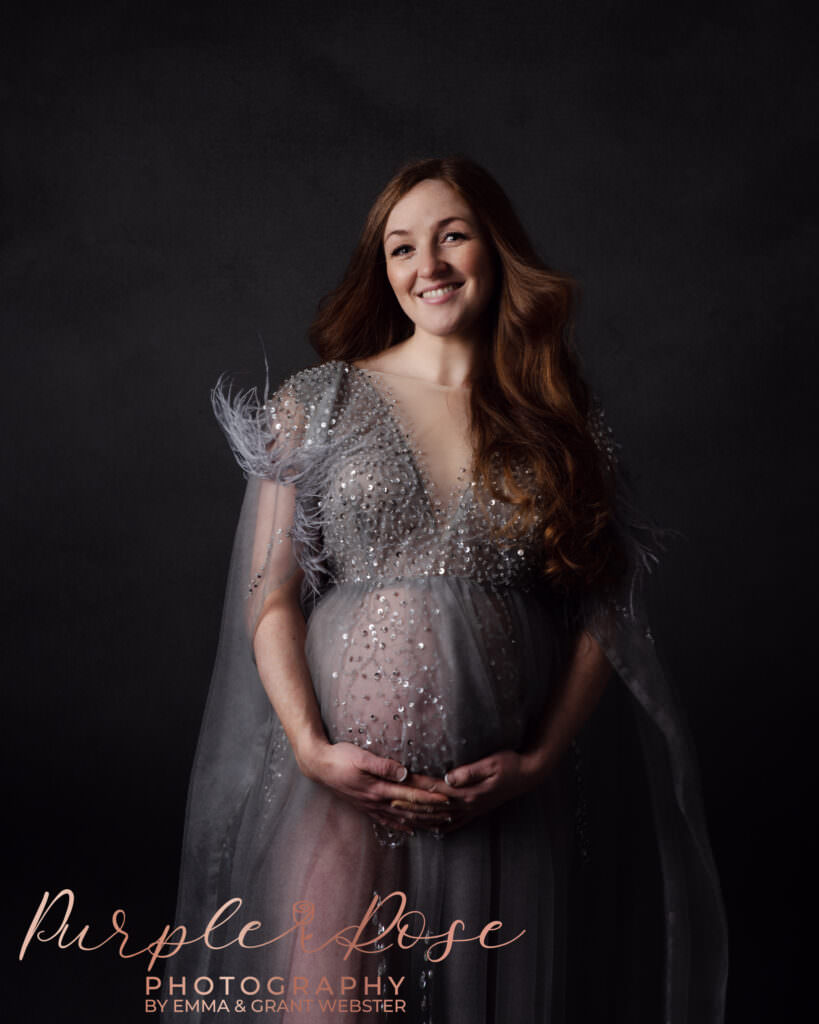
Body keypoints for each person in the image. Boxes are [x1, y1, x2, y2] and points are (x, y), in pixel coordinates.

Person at [166, 157, 728, 1023]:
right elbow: (268, 599)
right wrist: (314, 750)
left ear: (495, 249)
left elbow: (602, 611)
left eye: (451, 236)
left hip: (499, 807)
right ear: (381, 270)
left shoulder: (556, 420)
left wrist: (536, 762)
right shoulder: (318, 403)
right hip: (339, 795)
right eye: (400, 248)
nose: (425, 265)